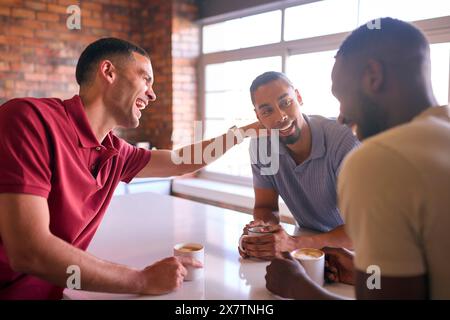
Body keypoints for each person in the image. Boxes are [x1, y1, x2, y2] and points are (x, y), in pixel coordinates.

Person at [0, 37, 258, 299]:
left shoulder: (115, 152)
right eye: (146, 78)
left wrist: (241, 133)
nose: (153, 94)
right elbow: (27, 250)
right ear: (108, 72)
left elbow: (180, 160)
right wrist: (141, 279)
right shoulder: (28, 120)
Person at [265, 17, 450, 299]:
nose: (341, 115)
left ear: (373, 76)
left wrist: (296, 286)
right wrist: (363, 273)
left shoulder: (378, 161)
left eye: (341, 95)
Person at [239, 71, 360, 260]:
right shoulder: (261, 145)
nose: (281, 116)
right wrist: (262, 232)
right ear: (258, 116)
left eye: (285, 103)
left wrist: (293, 243)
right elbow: (265, 206)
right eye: (267, 111)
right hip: (309, 251)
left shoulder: (343, 140)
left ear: (299, 97)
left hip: (359, 254)